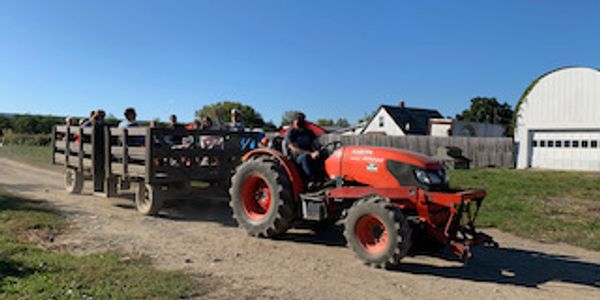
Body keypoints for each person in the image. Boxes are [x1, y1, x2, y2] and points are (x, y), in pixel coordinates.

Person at [284, 112, 321, 181]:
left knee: (323, 155)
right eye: (298, 121)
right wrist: (310, 153)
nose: (300, 123)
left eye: (301, 120)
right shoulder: (290, 133)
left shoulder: (309, 132)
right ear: (294, 122)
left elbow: (316, 143)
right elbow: (293, 148)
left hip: (311, 154)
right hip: (296, 158)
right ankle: (311, 180)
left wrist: (317, 150)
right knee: (306, 157)